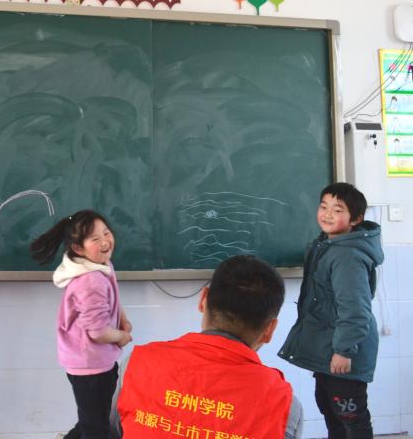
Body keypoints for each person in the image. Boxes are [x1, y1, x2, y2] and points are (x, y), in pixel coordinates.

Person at [117, 255, 302, 439]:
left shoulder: (135, 364)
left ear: (203, 299)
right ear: (269, 330)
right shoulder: (283, 405)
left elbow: (112, 429)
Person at [278, 182, 382, 439]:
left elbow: (355, 309)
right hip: (329, 348)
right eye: (323, 207)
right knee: (331, 411)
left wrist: (344, 351)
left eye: (337, 210)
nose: (327, 214)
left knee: (351, 421)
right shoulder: (327, 246)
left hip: (344, 352)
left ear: (356, 219)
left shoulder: (347, 257)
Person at [31, 209, 131, 439]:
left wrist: (122, 318)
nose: (105, 241)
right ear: (78, 248)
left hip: (95, 360)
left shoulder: (100, 265)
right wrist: (121, 336)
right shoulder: (90, 281)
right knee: (96, 428)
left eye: (106, 233)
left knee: (91, 421)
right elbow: (97, 331)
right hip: (91, 365)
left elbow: (111, 299)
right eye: (95, 239)